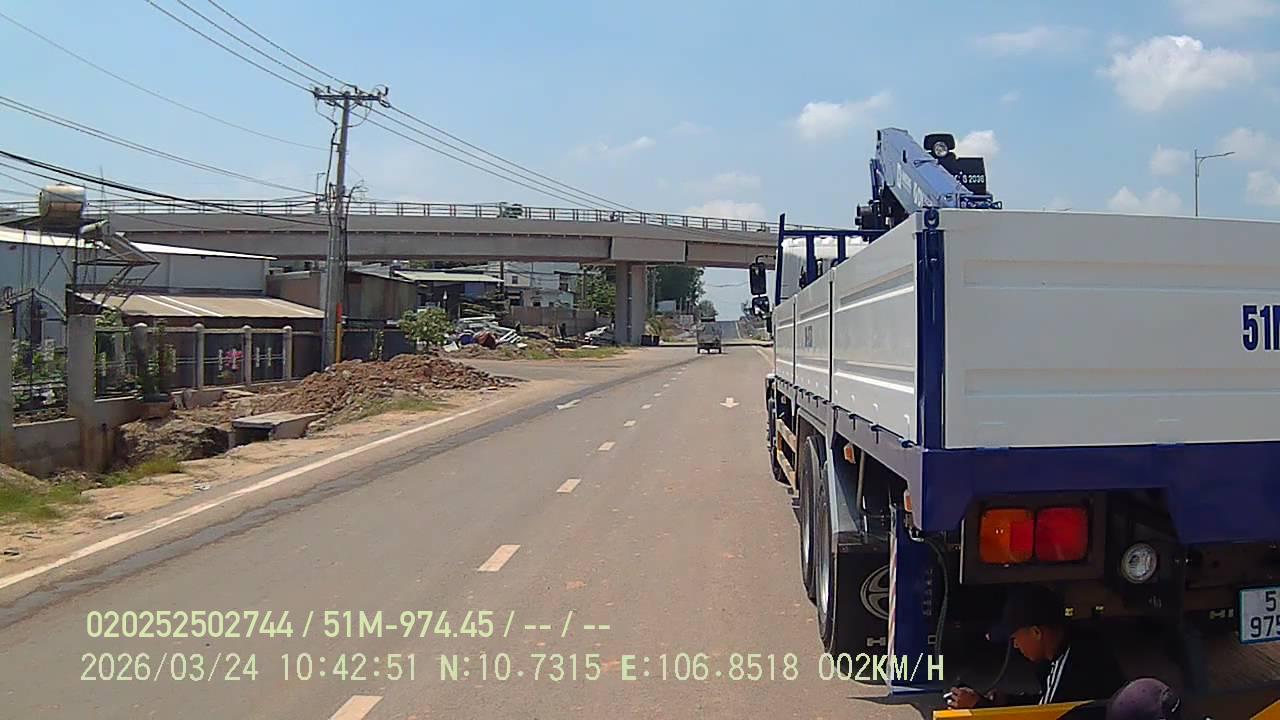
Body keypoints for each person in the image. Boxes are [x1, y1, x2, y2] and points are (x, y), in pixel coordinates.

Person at [946, 585, 1126, 709]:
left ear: (1036, 632)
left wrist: (980, 707)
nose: (1015, 645)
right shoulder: (1073, 644)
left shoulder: (1073, 664)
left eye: (1015, 638)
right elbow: (1044, 702)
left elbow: (1046, 714)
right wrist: (1005, 701)